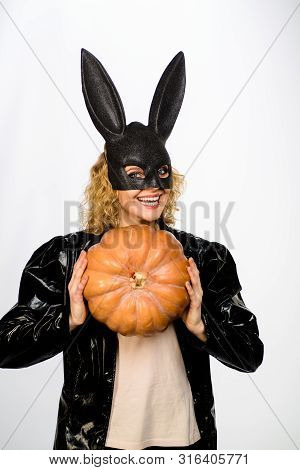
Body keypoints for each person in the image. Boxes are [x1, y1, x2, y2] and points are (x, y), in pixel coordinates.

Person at [0, 49, 264, 450]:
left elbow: (250, 355)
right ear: (110, 181)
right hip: (97, 444)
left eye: (160, 174)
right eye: (136, 175)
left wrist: (200, 324)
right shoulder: (66, 258)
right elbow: (6, 345)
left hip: (184, 440)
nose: (152, 187)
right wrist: (67, 320)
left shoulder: (205, 259)